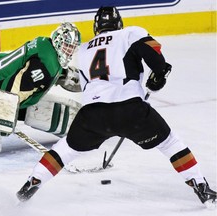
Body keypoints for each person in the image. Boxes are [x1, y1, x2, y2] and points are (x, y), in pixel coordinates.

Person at [16, 6, 216, 206]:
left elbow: (87, 85)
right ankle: (200, 186)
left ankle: (33, 181)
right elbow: (154, 53)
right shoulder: (129, 33)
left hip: (92, 115)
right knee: (170, 143)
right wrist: (159, 73)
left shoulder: (84, 49)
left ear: (96, 27)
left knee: (66, 148)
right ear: (119, 23)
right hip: (130, 110)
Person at [0, 22, 81, 126]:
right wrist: (5, 113)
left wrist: (62, 73)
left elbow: (31, 64)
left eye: (72, 48)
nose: (69, 51)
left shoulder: (45, 44)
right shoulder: (47, 65)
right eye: (67, 46)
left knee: (27, 100)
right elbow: (20, 85)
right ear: (58, 41)